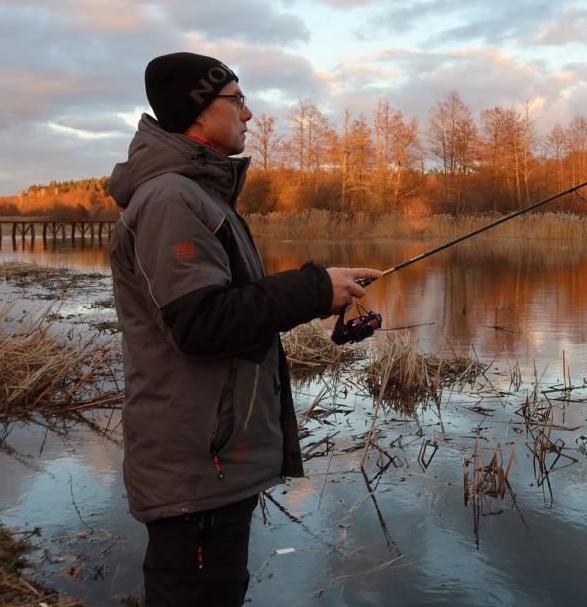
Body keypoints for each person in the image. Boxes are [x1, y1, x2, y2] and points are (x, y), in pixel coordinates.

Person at [107, 52, 382, 606]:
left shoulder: (196, 194)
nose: (249, 114)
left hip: (207, 461)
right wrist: (310, 291)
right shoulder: (171, 198)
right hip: (196, 465)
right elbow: (201, 322)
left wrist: (320, 286)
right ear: (199, 111)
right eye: (237, 100)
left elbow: (227, 301)